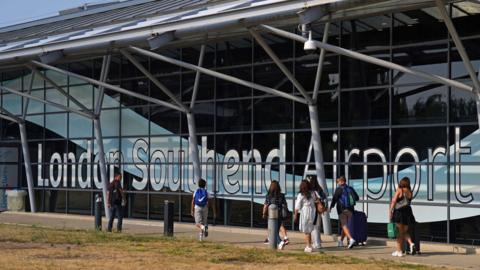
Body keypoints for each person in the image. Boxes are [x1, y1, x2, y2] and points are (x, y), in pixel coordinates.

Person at [329, 176, 359, 249]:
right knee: (345, 226)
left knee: (344, 225)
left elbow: (334, 199)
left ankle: (351, 239)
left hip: (342, 209)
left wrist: (331, 207)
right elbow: (357, 198)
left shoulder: (339, 189)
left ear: (341, 181)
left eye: (338, 182)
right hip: (351, 210)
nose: (337, 183)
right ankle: (341, 241)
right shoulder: (350, 188)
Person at [390, 177, 416, 257]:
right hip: (407, 213)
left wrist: (391, 212)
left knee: (399, 232)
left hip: (399, 213)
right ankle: (411, 244)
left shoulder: (399, 190)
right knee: (404, 232)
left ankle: (399, 251)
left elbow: (394, 201)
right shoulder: (410, 192)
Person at [262, 180, 289, 250]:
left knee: (273, 231)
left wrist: (264, 213)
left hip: (272, 216)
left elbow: (265, 205)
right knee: (276, 230)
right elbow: (285, 204)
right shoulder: (282, 195)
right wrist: (286, 211)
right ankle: (279, 243)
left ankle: (280, 242)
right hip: (280, 215)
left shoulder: (268, 196)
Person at [294, 179, 318, 253]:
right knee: (309, 230)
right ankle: (309, 245)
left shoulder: (301, 195)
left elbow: (297, 206)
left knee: (306, 230)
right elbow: (315, 201)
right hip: (312, 211)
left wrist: (295, 216)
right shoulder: (312, 193)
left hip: (305, 211)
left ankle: (308, 246)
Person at [308, 176, 327, 249]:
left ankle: (317, 243)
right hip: (319, 211)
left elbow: (316, 199)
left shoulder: (312, 191)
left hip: (314, 210)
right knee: (317, 227)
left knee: (314, 227)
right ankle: (317, 242)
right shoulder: (320, 189)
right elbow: (324, 199)